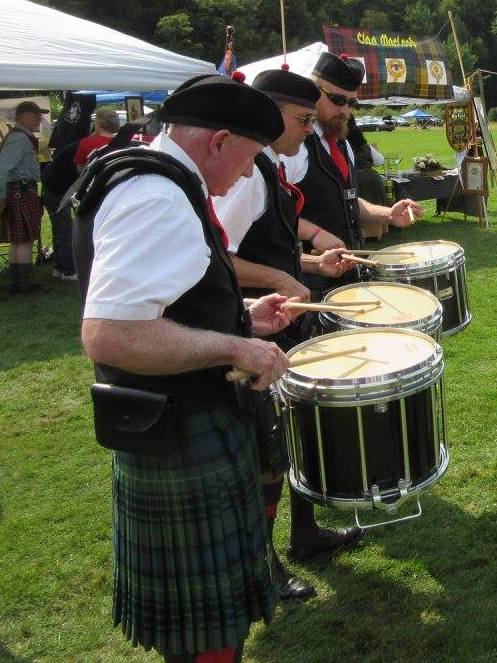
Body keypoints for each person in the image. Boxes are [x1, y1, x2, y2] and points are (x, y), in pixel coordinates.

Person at [75, 75, 296, 663]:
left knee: (209, 628)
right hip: (181, 430)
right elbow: (112, 334)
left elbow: (166, 302)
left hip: (177, 423)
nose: (251, 175)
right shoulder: (157, 195)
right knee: (205, 637)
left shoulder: (159, 177)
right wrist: (234, 350)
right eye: (250, 158)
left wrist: (241, 317)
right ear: (220, 141)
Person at [214, 69, 361, 601]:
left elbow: (274, 246)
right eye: (301, 119)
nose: (306, 129)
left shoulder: (267, 165)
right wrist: (278, 277)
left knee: (291, 436)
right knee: (267, 454)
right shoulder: (246, 173)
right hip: (260, 322)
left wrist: (310, 261)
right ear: (272, 112)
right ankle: (262, 565)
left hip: (281, 314)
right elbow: (216, 257)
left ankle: (302, 535)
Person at [282, 52, 423, 298]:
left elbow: (346, 200)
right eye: (337, 100)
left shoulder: (342, 144)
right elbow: (274, 216)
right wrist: (315, 234)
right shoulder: (294, 147)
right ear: (314, 92)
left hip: (347, 275)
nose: (345, 111)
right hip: (308, 281)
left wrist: (388, 214)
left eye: (352, 103)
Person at [0, 100, 49, 294]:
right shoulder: (20, 138)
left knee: (19, 240)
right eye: (36, 114)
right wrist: (1, 197)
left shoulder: (21, 137)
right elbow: (3, 168)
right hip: (19, 192)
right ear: (24, 116)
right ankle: (23, 285)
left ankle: (18, 284)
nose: (40, 118)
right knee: (24, 239)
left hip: (18, 191)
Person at [41, 139, 80, 280]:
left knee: (60, 228)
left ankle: (59, 267)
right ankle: (68, 271)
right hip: (56, 189)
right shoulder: (87, 145)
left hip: (54, 186)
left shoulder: (79, 144)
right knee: (64, 228)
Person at [347, 114, 388, 206]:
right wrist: (375, 151)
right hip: (371, 178)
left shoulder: (338, 146)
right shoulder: (365, 147)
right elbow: (380, 161)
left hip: (353, 180)